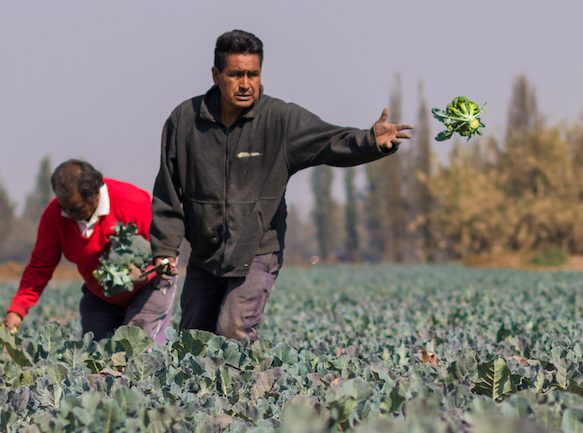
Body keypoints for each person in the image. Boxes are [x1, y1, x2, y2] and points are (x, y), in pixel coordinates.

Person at [150, 29, 412, 341]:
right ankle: (234, 387)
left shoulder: (279, 119)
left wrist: (371, 141)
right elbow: (168, 192)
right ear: (216, 75)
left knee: (233, 330)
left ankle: (253, 389)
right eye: (236, 74)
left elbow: (330, 140)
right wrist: (165, 249)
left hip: (258, 250)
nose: (246, 84)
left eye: (253, 74)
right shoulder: (185, 122)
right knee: (193, 340)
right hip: (206, 256)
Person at [3, 160, 176, 343]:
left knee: (137, 353)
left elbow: (166, 245)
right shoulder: (55, 216)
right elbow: (40, 267)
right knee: (95, 355)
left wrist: (150, 270)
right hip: (101, 296)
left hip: (149, 289)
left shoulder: (133, 202)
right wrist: (17, 310)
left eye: (75, 208)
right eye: (64, 207)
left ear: (95, 194)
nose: (68, 214)